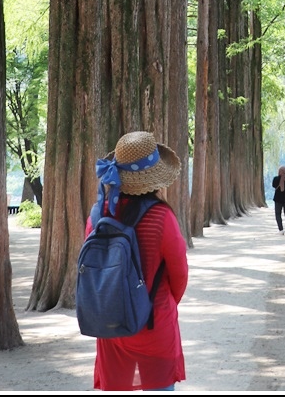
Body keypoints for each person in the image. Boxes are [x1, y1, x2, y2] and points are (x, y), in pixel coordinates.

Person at [86, 131, 188, 391]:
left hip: (112, 326)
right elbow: (179, 277)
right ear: (155, 179)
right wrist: (153, 302)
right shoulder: (163, 218)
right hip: (153, 324)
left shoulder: (98, 214)